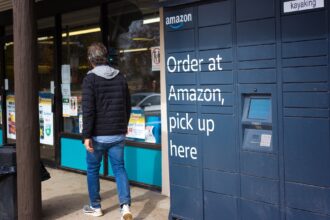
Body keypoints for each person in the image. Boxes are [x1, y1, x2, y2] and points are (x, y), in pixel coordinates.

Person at [82, 42, 132, 220]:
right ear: (105, 58)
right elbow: (128, 106)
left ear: (91, 60)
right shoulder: (120, 77)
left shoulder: (90, 79)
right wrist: (122, 126)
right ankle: (125, 207)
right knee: (119, 169)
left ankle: (96, 208)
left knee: (93, 170)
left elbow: (88, 110)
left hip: (97, 136)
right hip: (117, 135)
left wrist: (86, 135)